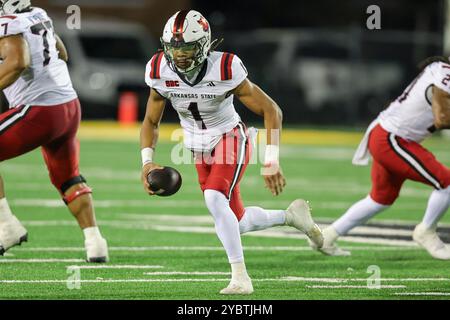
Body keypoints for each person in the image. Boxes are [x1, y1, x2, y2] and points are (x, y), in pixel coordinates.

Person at [140, 10, 323, 295]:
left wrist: (271, 160)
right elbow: (151, 121)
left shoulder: (224, 67)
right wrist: (147, 162)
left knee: (215, 200)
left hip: (229, 137)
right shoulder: (158, 70)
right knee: (235, 221)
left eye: (187, 47)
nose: (179, 56)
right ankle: (292, 217)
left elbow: (271, 109)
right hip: (196, 146)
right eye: (174, 49)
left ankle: (241, 278)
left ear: (203, 45)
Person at [311, 56, 450, 260]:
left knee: (381, 199)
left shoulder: (440, 70)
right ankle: (426, 231)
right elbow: (442, 118)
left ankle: (326, 236)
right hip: (392, 139)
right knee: (446, 182)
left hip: (389, 135)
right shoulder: (445, 74)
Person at [0, 0, 108, 262]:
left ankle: (6, 227)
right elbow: (62, 51)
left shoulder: (8, 23)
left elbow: (18, 62)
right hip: (68, 106)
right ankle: (95, 242)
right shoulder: (37, 15)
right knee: (68, 178)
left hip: (40, 109)